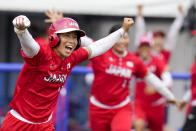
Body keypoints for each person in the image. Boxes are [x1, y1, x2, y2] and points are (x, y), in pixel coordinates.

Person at [45, 10, 178, 131]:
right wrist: (61, 25)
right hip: (98, 108)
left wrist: (170, 96)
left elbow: (152, 80)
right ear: (112, 39)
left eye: (125, 37)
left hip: (121, 108)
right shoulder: (100, 51)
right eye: (119, 37)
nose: (122, 41)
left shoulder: (134, 60)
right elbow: (82, 39)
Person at [0, 15, 134, 131]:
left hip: (44, 125)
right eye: (67, 36)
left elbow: (98, 46)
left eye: (75, 37)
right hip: (18, 123)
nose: (72, 40)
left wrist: (122, 31)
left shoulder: (72, 57)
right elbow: (30, 47)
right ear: (54, 38)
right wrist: (21, 31)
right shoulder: (43, 53)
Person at [133, 34, 173, 131]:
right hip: (140, 103)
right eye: (142, 46)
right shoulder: (135, 61)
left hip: (156, 104)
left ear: (151, 48)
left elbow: (168, 80)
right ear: (138, 48)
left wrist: (155, 87)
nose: (144, 49)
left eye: (147, 46)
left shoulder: (158, 60)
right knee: (139, 125)